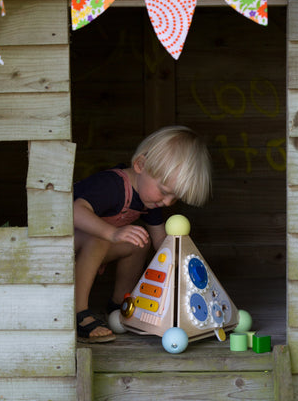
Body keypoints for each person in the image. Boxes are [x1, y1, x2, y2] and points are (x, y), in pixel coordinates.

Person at [74, 126, 212, 343]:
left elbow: (159, 241)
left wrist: (180, 257)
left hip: (95, 247)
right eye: (165, 192)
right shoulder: (111, 185)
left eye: (174, 197)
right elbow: (73, 211)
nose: (167, 202)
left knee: (140, 242)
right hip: (65, 247)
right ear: (140, 165)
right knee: (101, 238)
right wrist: (113, 233)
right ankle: (78, 312)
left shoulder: (149, 200)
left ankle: (120, 304)